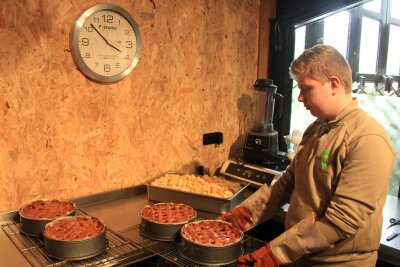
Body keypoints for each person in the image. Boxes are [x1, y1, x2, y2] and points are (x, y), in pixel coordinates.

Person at [219, 44, 396, 267]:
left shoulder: (367, 138)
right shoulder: (317, 129)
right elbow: (285, 185)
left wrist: (276, 252)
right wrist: (244, 214)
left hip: (338, 262)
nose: (300, 97)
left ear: (333, 84)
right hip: (301, 254)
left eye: (306, 88)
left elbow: (341, 221)